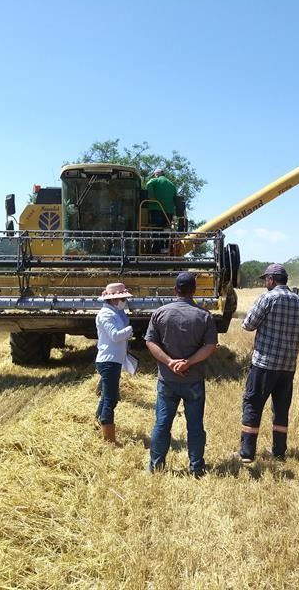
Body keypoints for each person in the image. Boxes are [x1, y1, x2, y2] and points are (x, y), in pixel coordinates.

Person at [145, 272, 218, 476]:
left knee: (162, 424)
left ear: (175, 289)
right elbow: (210, 346)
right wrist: (188, 362)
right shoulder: (204, 316)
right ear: (194, 290)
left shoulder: (160, 313)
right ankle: (196, 468)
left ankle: (156, 466)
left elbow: (150, 342)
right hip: (193, 380)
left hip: (167, 380)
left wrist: (169, 362)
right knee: (195, 426)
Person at [237, 263, 299, 463]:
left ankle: (246, 453)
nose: (265, 283)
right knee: (281, 408)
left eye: (265, 279)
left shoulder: (268, 298)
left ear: (271, 279)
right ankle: (278, 452)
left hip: (264, 364)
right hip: (287, 366)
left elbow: (248, 325)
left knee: (253, 404)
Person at [95, 282, 134, 445]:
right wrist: (130, 329)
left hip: (114, 360)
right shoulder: (105, 315)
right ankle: (109, 438)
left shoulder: (116, 313)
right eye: (122, 298)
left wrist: (125, 317)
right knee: (111, 399)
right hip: (108, 361)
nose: (124, 300)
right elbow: (115, 335)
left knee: (107, 397)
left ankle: (98, 423)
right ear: (114, 299)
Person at [145, 168, 177, 253]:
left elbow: (148, 184)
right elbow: (175, 198)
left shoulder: (155, 181)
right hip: (169, 212)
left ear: (156, 174)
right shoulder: (172, 185)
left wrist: (152, 198)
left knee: (156, 229)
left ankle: (156, 249)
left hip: (156, 209)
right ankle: (165, 249)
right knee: (166, 230)